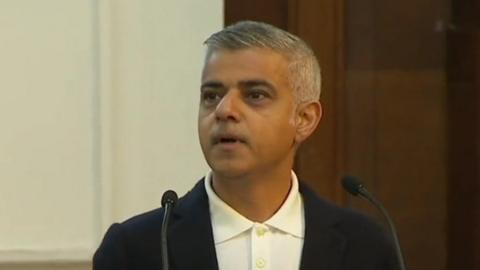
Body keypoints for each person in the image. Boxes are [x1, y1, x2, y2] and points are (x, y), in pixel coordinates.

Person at [93, 21, 397, 270]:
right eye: (211, 95)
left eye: (255, 95)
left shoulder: (366, 247)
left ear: (304, 118)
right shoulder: (135, 250)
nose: (224, 111)